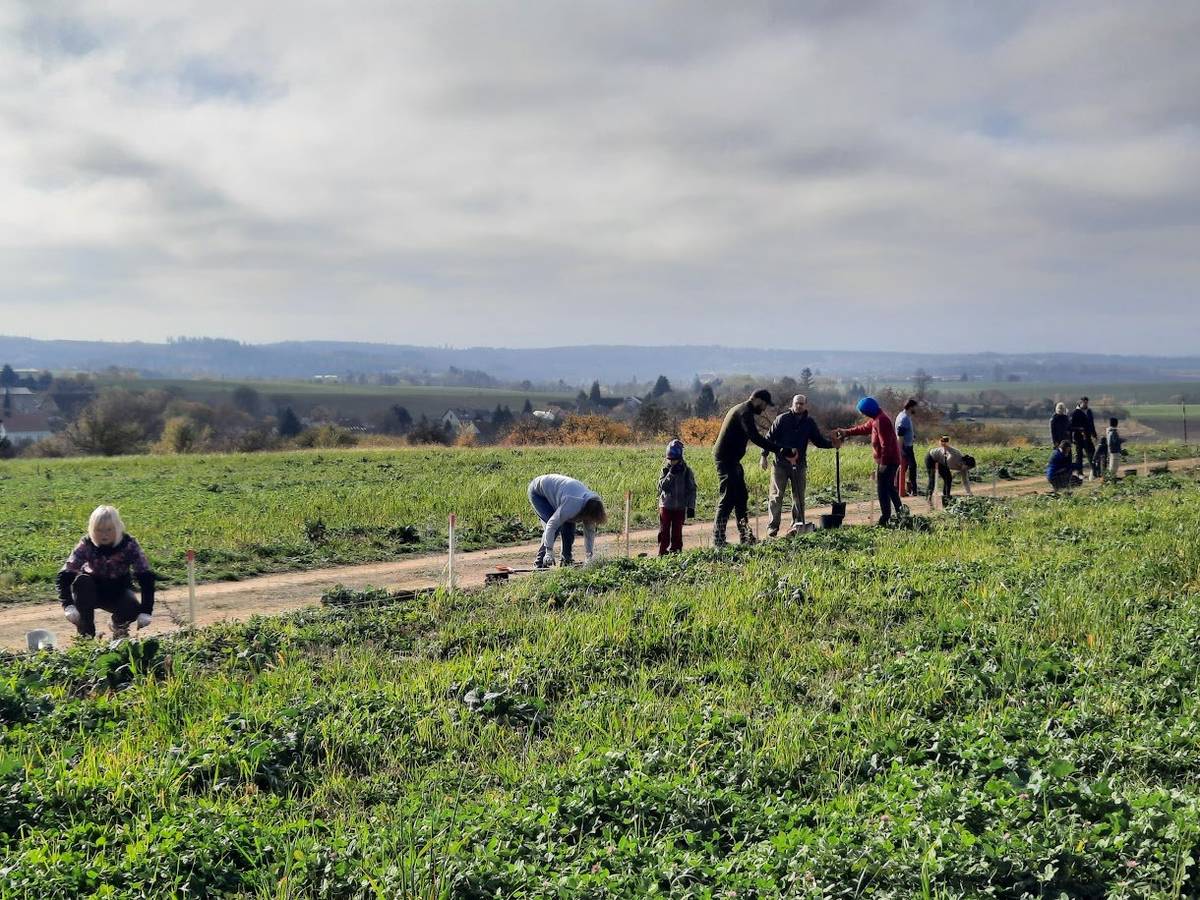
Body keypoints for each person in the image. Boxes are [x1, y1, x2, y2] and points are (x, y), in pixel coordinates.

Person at [712, 389, 796, 547]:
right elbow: (755, 437)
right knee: (727, 498)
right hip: (726, 459)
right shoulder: (744, 412)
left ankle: (745, 536)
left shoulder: (743, 410)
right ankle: (717, 539)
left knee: (741, 497)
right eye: (764, 405)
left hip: (733, 460)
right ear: (757, 399)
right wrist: (780, 449)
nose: (764, 409)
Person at [57, 505, 156, 639]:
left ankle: (118, 626)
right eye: (99, 530)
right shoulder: (86, 544)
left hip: (118, 591)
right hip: (90, 590)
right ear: (92, 530)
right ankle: (85, 635)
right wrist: (68, 605)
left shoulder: (129, 545)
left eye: (109, 530)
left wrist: (146, 611)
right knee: (82, 582)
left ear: (117, 528)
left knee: (132, 609)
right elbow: (65, 574)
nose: (104, 535)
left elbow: (146, 577)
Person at [758, 393, 838, 536]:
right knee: (776, 496)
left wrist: (833, 445)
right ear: (792, 404)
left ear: (806, 405)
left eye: (801, 403)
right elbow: (768, 438)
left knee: (799, 497)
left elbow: (818, 441)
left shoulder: (809, 423)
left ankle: (797, 525)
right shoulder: (782, 419)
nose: (799, 406)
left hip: (799, 464)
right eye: (797, 403)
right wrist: (763, 456)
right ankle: (772, 527)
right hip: (780, 464)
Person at [835, 397, 904, 526]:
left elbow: (886, 444)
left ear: (868, 410)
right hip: (889, 459)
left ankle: (885, 518)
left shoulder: (881, 421)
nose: (862, 414)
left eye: (863, 411)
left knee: (882, 489)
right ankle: (901, 513)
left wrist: (883, 463)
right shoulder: (876, 419)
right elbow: (863, 429)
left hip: (888, 460)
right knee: (889, 487)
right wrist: (846, 432)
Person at [527, 474, 607, 567]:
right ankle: (540, 563)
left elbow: (589, 532)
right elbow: (551, 525)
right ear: (585, 512)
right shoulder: (573, 504)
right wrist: (549, 551)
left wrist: (589, 556)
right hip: (539, 493)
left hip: (562, 495)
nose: (588, 522)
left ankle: (566, 561)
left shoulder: (594, 505)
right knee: (555, 528)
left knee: (569, 528)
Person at [658, 439, 696, 555]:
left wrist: (690, 506)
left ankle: (676, 552)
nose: (672, 462)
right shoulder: (665, 470)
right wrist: (671, 474)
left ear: (679, 458)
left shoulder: (686, 471)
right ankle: (662, 552)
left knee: (677, 532)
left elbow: (692, 489)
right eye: (670, 460)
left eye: (674, 460)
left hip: (680, 507)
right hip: (666, 506)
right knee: (664, 531)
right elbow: (662, 487)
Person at [924, 436, 976, 506]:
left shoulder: (964, 469)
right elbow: (946, 447)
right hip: (931, 457)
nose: (967, 470)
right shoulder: (956, 454)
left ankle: (946, 498)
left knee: (948, 479)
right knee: (932, 479)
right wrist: (943, 441)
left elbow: (965, 481)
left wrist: (969, 493)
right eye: (967, 467)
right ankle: (928, 498)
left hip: (942, 463)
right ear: (964, 463)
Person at [895, 398, 920, 497]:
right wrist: (900, 449)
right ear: (911, 407)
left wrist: (912, 436)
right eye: (914, 407)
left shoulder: (902, 415)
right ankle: (913, 490)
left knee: (903, 467)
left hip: (906, 445)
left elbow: (904, 432)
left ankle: (898, 487)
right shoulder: (905, 418)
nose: (915, 409)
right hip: (906, 447)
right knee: (912, 466)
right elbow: (900, 433)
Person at [1070, 396, 1098, 478]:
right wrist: (1079, 429)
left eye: (1087, 403)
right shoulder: (1075, 413)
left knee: (1092, 453)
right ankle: (1079, 472)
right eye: (1084, 403)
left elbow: (1091, 424)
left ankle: (1094, 471)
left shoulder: (1089, 411)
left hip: (1088, 436)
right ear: (1080, 402)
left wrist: (1094, 434)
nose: (1086, 404)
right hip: (1078, 437)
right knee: (1079, 455)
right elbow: (1071, 426)